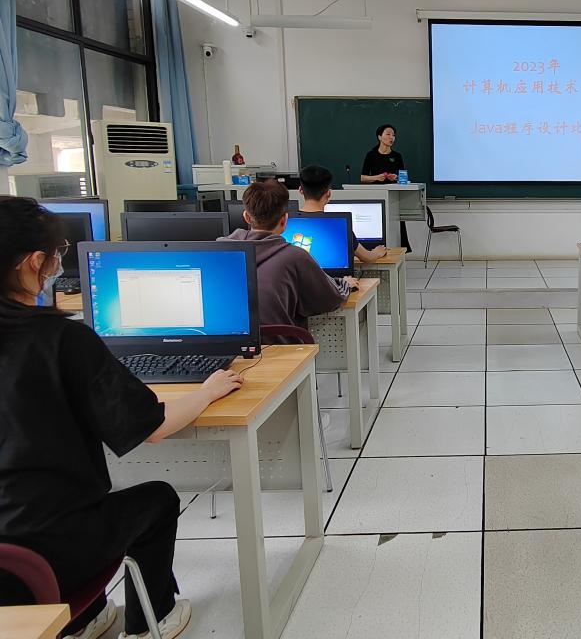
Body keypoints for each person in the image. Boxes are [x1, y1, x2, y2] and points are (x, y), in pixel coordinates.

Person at [0, 196, 243, 639]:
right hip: (49, 552)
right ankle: (150, 620)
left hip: (7, 563)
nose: (56, 267)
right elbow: (153, 427)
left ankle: (86, 617)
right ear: (33, 263)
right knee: (157, 499)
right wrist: (207, 391)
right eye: (55, 256)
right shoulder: (62, 340)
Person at [221, 179, 356, 332]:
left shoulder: (220, 252)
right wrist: (344, 284)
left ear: (246, 217)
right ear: (284, 220)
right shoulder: (296, 256)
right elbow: (330, 300)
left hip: (229, 343)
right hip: (280, 343)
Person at [298, 164, 388, 264]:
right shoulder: (341, 224)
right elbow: (367, 258)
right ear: (328, 193)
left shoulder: (287, 221)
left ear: (301, 190)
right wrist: (376, 253)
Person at [360, 124, 413, 252]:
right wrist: (377, 178)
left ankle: (398, 252)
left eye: (393, 135)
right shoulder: (371, 155)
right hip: (376, 196)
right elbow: (363, 178)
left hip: (394, 198)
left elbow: (403, 178)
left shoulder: (397, 156)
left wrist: (396, 177)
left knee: (396, 226)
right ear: (379, 137)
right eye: (388, 134)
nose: (391, 137)